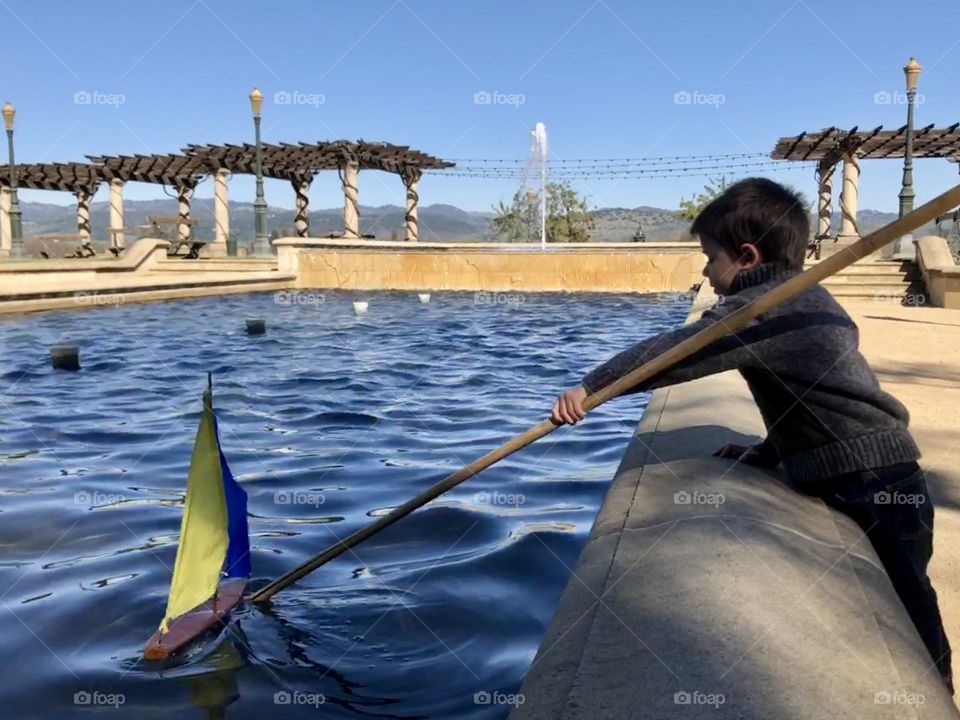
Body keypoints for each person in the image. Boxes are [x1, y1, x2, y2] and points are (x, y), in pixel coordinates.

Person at [550, 177, 953, 693]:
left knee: (910, 607)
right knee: (911, 592)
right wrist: (773, 448)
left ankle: (937, 693)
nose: (703, 269)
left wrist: (590, 388)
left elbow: (679, 352)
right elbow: (809, 393)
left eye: (708, 256)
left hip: (872, 479)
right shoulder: (799, 297)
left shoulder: (762, 310)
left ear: (744, 256)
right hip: (880, 466)